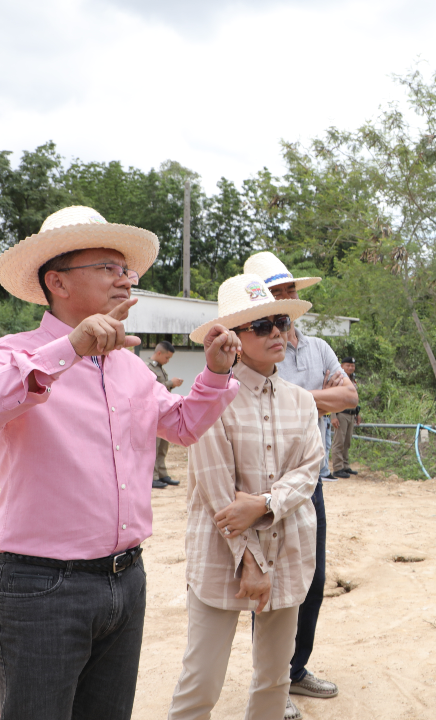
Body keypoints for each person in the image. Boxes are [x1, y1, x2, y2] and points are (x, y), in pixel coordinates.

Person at [0, 205, 242, 720]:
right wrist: (67, 350)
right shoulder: (16, 353)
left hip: (126, 578)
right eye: (108, 268)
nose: (125, 281)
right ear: (57, 281)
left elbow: (182, 427)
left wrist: (213, 373)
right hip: (41, 587)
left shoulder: (131, 368)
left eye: (127, 270)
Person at [167, 273, 325, 720]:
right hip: (223, 555)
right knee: (201, 680)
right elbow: (218, 490)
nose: (276, 332)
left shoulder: (301, 401)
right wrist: (251, 561)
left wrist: (264, 504)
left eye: (279, 321)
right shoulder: (213, 396)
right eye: (260, 325)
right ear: (233, 339)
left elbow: (309, 469)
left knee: (274, 680)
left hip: (289, 550)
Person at [243, 251, 357, 718]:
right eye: (278, 293)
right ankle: (270, 685)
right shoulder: (248, 350)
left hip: (310, 483)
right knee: (267, 582)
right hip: (261, 488)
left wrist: (288, 398)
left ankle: (294, 670)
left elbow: (347, 395)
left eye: (291, 291)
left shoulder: (317, 350)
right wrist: (315, 401)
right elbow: (249, 405)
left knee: (309, 579)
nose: (288, 299)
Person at [147, 340, 185, 488]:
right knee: (154, 446)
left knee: (163, 446)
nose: (168, 361)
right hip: (152, 412)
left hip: (163, 412)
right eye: (167, 358)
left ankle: (162, 474)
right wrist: (170, 383)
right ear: (159, 353)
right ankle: (153, 477)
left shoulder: (160, 368)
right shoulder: (147, 367)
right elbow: (148, 388)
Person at [330, 357, 360, 477]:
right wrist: (333, 416)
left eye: (352, 366)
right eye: (348, 365)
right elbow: (332, 397)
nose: (351, 368)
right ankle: (337, 468)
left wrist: (357, 414)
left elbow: (355, 398)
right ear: (342, 366)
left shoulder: (352, 380)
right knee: (339, 442)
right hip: (341, 414)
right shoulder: (339, 379)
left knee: (347, 442)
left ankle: (345, 466)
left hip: (351, 414)